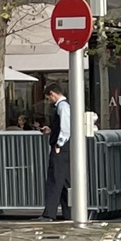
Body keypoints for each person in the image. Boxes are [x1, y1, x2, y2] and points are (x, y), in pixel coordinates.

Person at [42, 82, 71, 220]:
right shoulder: (64, 106)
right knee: (64, 182)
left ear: (52, 94)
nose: (49, 101)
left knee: (54, 179)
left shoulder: (62, 106)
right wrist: (52, 131)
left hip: (61, 148)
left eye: (48, 98)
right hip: (66, 148)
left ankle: (49, 213)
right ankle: (69, 212)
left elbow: (66, 127)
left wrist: (59, 144)